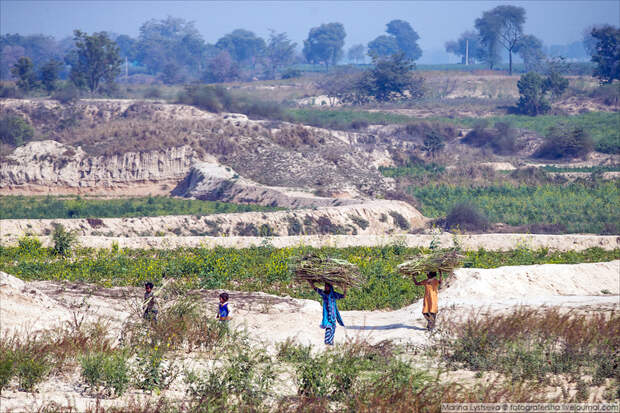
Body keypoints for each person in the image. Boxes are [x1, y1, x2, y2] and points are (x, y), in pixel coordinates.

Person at [308, 280, 346, 346]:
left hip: (333, 316)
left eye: (327, 287)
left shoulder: (334, 294)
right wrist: (310, 282)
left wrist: (345, 288)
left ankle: (330, 342)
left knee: (333, 328)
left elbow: (343, 296)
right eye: (325, 287)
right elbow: (315, 288)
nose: (326, 288)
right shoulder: (323, 293)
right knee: (328, 327)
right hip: (326, 315)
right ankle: (327, 341)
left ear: (330, 287)